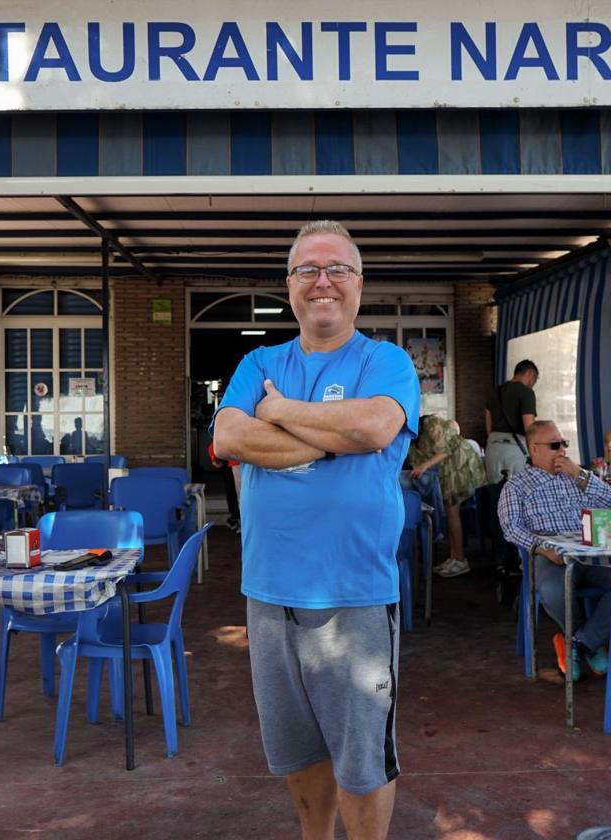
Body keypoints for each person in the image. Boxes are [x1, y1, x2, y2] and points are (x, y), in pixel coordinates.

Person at [211, 220, 419, 840]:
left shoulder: (387, 361)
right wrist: (330, 440)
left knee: (362, 758)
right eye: (308, 270)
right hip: (271, 591)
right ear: (289, 285)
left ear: (359, 284)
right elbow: (227, 437)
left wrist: (277, 412)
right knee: (296, 748)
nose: (322, 281)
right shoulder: (258, 360)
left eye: (337, 269)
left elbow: (376, 428)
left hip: (354, 593)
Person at [498, 420, 611, 680]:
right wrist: (542, 548)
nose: (562, 450)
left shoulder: (576, 477)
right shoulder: (517, 486)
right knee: (555, 589)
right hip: (548, 554)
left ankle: (581, 643)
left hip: (587, 552)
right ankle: (586, 641)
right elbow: (510, 528)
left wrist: (580, 474)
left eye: (564, 443)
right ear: (535, 449)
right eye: (555, 445)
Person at [408, 414, 487, 578]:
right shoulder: (411, 440)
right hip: (447, 471)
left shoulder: (430, 423)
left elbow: (447, 449)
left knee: (452, 514)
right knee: (451, 514)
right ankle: (453, 556)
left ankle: (460, 560)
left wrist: (424, 466)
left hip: (460, 466)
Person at [484, 359, 538, 484]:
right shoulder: (526, 393)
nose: (532, 384)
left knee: (495, 493)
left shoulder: (494, 392)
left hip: (493, 448)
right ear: (529, 374)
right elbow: (529, 428)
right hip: (515, 451)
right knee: (516, 494)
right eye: (534, 380)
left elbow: (488, 425)